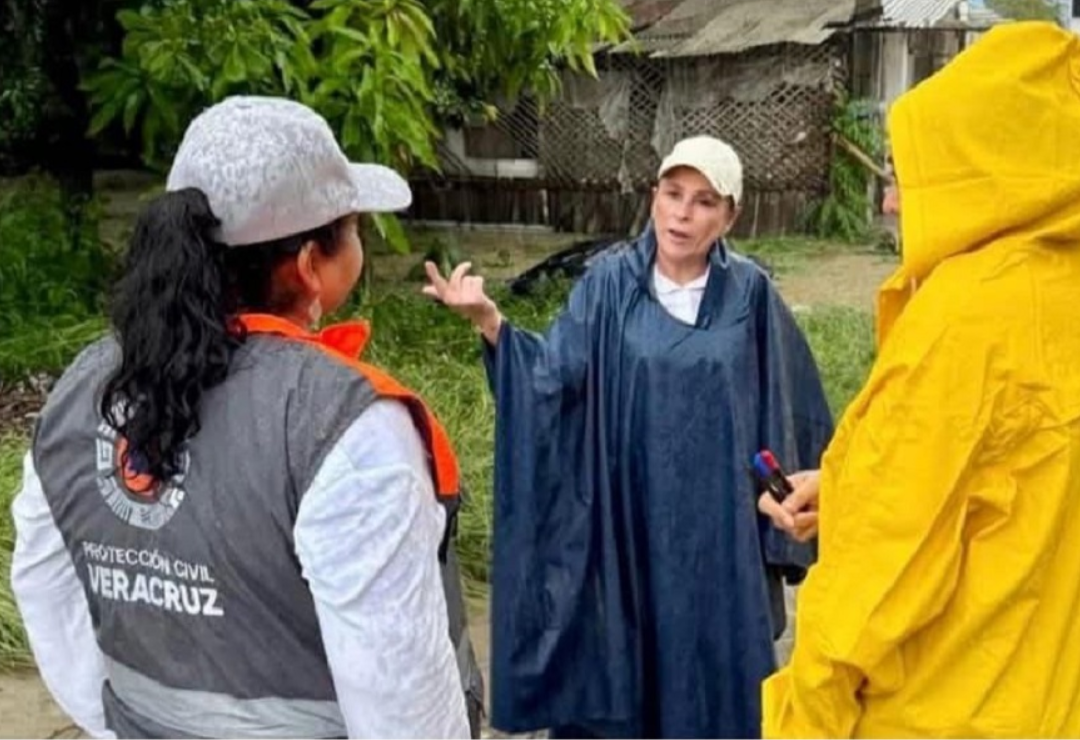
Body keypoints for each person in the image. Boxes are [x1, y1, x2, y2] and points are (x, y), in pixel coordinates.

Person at [9, 96, 482, 739]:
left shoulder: (81, 390)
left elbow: (44, 587)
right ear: (311, 265)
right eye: (355, 228)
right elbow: (402, 701)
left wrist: (118, 725)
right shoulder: (342, 426)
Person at [424, 136, 834, 738]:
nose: (682, 214)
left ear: (730, 216)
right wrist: (491, 322)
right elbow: (551, 380)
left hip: (718, 538)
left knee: (711, 685)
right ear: (654, 196)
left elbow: (788, 406)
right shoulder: (609, 285)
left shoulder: (752, 296)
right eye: (672, 194)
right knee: (624, 669)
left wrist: (787, 501)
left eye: (704, 202)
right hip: (625, 523)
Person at [759, 22, 1080, 737]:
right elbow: (1009, 487)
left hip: (941, 709)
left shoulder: (966, 318)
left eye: (910, 176)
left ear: (990, 170)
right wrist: (846, 486)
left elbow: (874, 579)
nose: (891, 203)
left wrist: (803, 721)